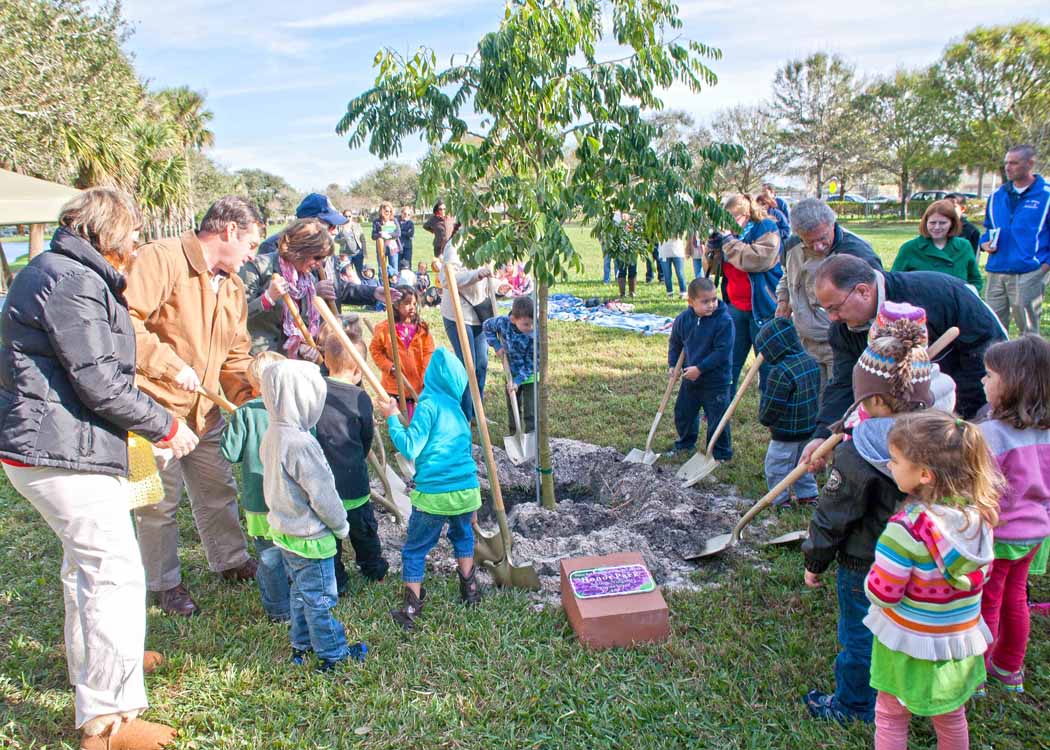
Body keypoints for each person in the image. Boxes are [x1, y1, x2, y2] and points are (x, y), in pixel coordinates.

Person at [0, 188, 198, 749]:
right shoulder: (73, 281)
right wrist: (164, 424)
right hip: (61, 449)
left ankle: (100, 665)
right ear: (108, 232)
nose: (137, 243)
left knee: (85, 567)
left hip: (61, 444)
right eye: (132, 233)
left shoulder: (59, 271)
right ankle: (110, 720)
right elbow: (98, 379)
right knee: (114, 572)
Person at [124, 196, 262, 617]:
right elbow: (120, 323)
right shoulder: (160, 258)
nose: (253, 255)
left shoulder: (234, 286)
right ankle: (163, 583)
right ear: (229, 231)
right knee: (153, 503)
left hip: (204, 412)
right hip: (147, 409)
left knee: (218, 489)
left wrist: (253, 400)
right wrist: (169, 365)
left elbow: (237, 356)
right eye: (251, 244)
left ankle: (231, 560)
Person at [802, 314, 935, 724]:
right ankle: (916, 698)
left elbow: (834, 514)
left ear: (874, 402)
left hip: (865, 563)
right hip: (928, 562)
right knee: (911, 632)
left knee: (860, 634)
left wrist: (815, 560)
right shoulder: (942, 436)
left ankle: (853, 704)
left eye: (861, 401)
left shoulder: (858, 454)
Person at [866, 411, 1000, 750]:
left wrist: (869, 582)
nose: (889, 464)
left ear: (924, 474)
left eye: (895, 459)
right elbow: (981, 575)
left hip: (908, 642)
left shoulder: (904, 530)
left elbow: (886, 593)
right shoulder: (979, 519)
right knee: (952, 715)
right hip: (955, 643)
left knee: (891, 714)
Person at [800, 253, 1006, 470]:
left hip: (966, 399)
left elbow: (986, 352)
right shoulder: (843, 330)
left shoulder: (936, 294)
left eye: (834, 308)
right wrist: (823, 434)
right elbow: (844, 384)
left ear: (862, 291)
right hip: (915, 417)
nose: (832, 317)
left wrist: (963, 417)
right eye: (827, 309)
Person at [260, 360, 366, 671]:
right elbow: (322, 493)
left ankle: (301, 644)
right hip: (311, 537)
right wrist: (341, 525)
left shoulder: (273, 435)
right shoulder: (302, 444)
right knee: (320, 599)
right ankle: (333, 653)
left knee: (300, 592)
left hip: (284, 532)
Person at [384, 348, 484, 630]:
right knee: (463, 537)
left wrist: (392, 417)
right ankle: (470, 590)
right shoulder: (460, 414)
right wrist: (474, 506)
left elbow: (409, 447)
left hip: (434, 496)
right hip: (467, 491)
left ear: (431, 377)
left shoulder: (427, 406)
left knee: (415, 549)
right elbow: (466, 456)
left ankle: (411, 606)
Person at [978, 335, 1050, 694]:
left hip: (998, 534)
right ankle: (1009, 669)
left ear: (1012, 384)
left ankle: (976, 673)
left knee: (987, 600)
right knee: (1016, 597)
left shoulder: (990, 435)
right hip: (1035, 533)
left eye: (989, 376)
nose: (983, 382)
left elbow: (977, 488)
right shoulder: (1047, 432)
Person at [776, 198, 883, 390]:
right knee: (814, 403)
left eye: (822, 238)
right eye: (809, 241)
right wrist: (784, 298)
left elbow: (874, 300)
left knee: (840, 399)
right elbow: (786, 274)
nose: (817, 246)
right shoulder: (791, 246)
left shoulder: (856, 252)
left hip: (841, 345)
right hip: (806, 342)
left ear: (832, 224)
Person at [316, 332, 390, 594]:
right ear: (358, 369)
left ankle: (337, 579)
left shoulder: (313, 392)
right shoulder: (361, 399)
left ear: (325, 359)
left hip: (322, 485)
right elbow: (366, 437)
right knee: (364, 530)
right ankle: (373, 568)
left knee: (329, 536)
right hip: (354, 483)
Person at [219, 350, 289, 623]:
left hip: (259, 501)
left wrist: (234, 427)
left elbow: (230, 452)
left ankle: (279, 610)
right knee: (292, 550)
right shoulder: (294, 411)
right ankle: (298, 595)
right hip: (290, 498)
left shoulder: (246, 414)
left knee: (269, 556)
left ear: (254, 385)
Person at [708, 193, 783, 393]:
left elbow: (757, 260)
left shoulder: (766, 228)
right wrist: (713, 249)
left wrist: (729, 241)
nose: (728, 224)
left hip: (763, 307)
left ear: (747, 214)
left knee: (767, 365)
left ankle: (770, 409)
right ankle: (720, 407)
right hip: (735, 306)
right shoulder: (730, 236)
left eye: (733, 218)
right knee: (729, 361)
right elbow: (715, 269)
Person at [980, 145, 1050, 335]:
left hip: (1029, 271)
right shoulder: (996, 196)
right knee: (993, 326)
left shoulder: (1046, 196)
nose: (1008, 167)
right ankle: (997, 364)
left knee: (1027, 329)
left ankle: (1030, 364)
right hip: (997, 270)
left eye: (1014, 163)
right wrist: (984, 243)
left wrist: (1043, 267)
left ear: (1030, 164)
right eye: (1006, 163)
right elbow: (989, 228)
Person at [241, 218, 333, 361]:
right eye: (317, 257)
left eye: (323, 259)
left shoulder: (309, 281)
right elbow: (236, 316)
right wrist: (267, 298)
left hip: (289, 363)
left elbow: (302, 323)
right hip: (257, 360)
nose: (320, 264)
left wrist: (303, 345)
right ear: (300, 250)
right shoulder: (257, 267)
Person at [753, 318, 820, 508]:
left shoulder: (780, 373)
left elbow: (773, 405)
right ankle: (808, 495)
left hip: (785, 432)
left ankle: (779, 498)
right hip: (809, 427)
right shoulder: (811, 361)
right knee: (805, 463)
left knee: (777, 466)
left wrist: (765, 419)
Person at [666, 277, 734, 459]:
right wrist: (673, 364)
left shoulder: (724, 321)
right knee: (683, 412)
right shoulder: (683, 320)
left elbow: (722, 352)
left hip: (716, 380)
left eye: (714, 299)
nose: (711, 305)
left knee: (717, 418)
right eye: (705, 302)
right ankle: (685, 443)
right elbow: (675, 343)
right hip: (691, 379)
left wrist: (700, 368)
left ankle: (720, 453)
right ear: (691, 302)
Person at [439, 243, 494, 421]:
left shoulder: (489, 241)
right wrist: (475, 275)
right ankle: (465, 415)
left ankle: (478, 413)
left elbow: (490, 275)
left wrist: (499, 285)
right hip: (458, 313)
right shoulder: (455, 245)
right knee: (467, 365)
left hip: (479, 312)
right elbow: (447, 279)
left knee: (481, 363)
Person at [369, 285, 435, 418]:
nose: (412, 307)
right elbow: (375, 351)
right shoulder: (385, 329)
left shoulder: (421, 329)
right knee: (398, 420)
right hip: (394, 385)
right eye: (407, 303)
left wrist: (425, 375)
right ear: (396, 305)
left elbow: (429, 352)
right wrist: (389, 366)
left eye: (414, 304)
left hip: (416, 383)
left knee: (416, 419)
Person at [892, 200, 982, 292]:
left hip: (955, 303)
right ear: (925, 223)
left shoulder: (964, 246)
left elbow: (975, 280)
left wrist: (967, 294)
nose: (937, 227)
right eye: (932, 223)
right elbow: (894, 282)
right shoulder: (909, 248)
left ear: (952, 223)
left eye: (943, 223)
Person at [483, 296, 537, 434]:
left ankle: (532, 435)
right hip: (510, 374)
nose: (530, 327)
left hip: (530, 376)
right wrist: (496, 346)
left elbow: (532, 363)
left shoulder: (534, 335)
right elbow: (487, 326)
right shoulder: (503, 323)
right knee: (513, 408)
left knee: (531, 411)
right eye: (526, 324)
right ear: (513, 319)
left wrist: (518, 381)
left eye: (532, 323)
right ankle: (514, 434)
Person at [371, 202, 401, 279]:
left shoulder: (394, 220)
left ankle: (394, 287)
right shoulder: (376, 222)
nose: (388, 213)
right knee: (381, 269)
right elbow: (373, 236)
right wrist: (380, 234)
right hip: (381, 247)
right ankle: (382, 287)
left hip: (393, 247)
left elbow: (398, 233)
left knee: (394, 269)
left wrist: (389, 235)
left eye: (390, 211)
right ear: (382, 211)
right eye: (387, 211)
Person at [337, 209, 366, 278]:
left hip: (358, 253)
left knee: (360, 273)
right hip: (346, 254)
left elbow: (363, 239)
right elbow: (336, 238)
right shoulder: (339, 226)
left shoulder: (357, 225)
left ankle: (361, 287)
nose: (348, 218)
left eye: (349, 216)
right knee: (347, 274)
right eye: (345, 216)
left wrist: (365, 252)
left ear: (352, 216)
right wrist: (342, 240)